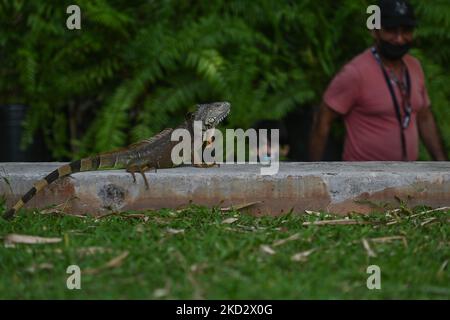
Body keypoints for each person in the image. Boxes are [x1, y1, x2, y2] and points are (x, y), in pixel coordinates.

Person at [309, 0, 447, 161]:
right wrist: (312, 172)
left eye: (407, 30)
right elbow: (322, 121)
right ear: (374, 31)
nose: (400, 39)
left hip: (407, 178)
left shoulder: (414, 66)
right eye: (391, 30)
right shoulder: (355, 73)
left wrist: (443, 167)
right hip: (364, 181)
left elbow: (424, 117)